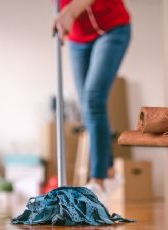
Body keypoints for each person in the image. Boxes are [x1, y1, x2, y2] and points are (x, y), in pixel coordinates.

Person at [54, 0, 131, 197]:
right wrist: (63, 20)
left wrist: (70, 11)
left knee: (93, 100)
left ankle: (98, 181)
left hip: (112, 29)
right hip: (78, 40)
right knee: (86, 107)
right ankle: (110, 171)